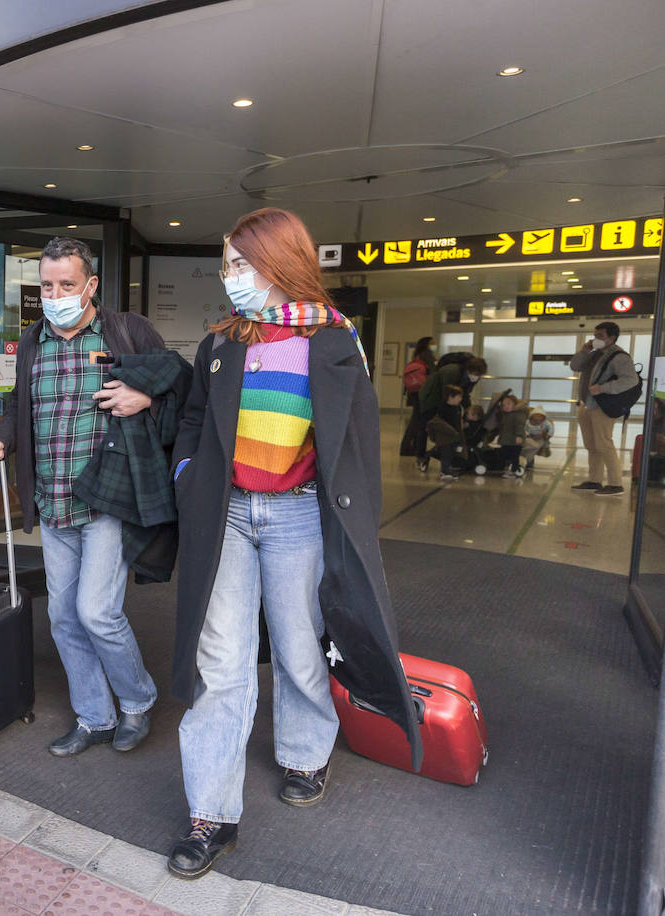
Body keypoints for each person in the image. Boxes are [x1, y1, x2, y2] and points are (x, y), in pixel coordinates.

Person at [167, 208, 420, 880]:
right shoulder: (222, 342)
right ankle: (210, 815)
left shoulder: (335, 343)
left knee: (298, 645)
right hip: (227, 515)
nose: (230, 278)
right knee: (220, 662)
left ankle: (305, 754)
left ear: (280, 261)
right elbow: (193, 419)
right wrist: (188, 474)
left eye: (240, 264)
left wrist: (359, 525)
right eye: (227, 266)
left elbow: (358, 444)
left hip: (299, 516)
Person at [0, 236, 159, 758]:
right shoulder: (33, 341)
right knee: (62, 618)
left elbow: (177, 385)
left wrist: (144, 395)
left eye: (67, 284)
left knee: (96, 611)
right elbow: (20, 404)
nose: (55, 295)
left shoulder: (125, 332)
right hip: (53, 501)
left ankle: (138, 700)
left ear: (91, 285)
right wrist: (1, 436)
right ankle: (95, 716)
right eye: (47, 285)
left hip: (105, 500)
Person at [568, 321, 635, 496]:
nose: (595, 339)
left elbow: (630, 380)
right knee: (591, 445)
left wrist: (604, 388)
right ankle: (594, 480)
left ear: (611, 338)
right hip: (586, 404)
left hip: (602, 406)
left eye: (600, 336)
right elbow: (575, 366)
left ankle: (615, 483)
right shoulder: (594, 354)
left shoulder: (619, 357)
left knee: (604, 444)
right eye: (595, 335)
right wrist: (584, 351)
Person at [415, 352, 487, 472]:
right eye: (475, 374)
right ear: (469, 370)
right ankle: (420, 457)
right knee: (425, 425)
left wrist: (469, 409)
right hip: (430, 398)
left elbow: (464, 394)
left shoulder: (472, 378)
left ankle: (448, 454)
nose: (476, 377)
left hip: (447, 398)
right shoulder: (452, 371)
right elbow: (447, 392)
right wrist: (452, 408)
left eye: (478, 375)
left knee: (448, 425)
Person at [399, 336, 435, 458]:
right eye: (432, 343)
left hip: (414, 392)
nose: (434, 345)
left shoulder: (417, 356)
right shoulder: (427, 355)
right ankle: (409, 447)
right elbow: (432, 373)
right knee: (417, 421)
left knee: (416, 419)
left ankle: (409, 446)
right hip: (422, 392)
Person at [426, 385, 466, 481]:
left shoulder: (458, 408)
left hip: (454, 435)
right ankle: (444, 471)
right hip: (444, 435)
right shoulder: (442, 408)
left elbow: (458, 421)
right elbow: (438, 423)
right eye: (458, 397)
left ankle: (429, 454)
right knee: (446, 453)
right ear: (450, 397)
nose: (460, 399)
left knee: (452, 452)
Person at [494, 393, 529, 478]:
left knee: (514, 457)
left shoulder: (517, 414)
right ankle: (512, 468)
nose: (506, 406)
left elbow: (519, 426)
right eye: (503, 405)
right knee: (506, 454)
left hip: (515, 440)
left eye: (508, 403)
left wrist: (519, 436)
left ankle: (513, 471)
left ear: (515, 404)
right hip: (507, 440)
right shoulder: (506, 414)